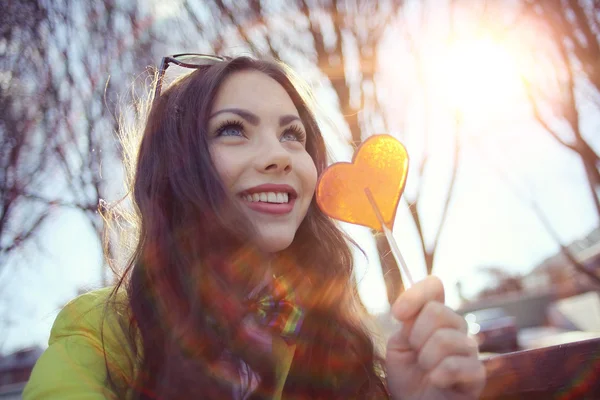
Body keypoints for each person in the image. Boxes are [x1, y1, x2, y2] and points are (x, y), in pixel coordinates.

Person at [23, 55, 485, 399]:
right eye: (232, 129)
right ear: (175, 167)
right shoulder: (103, 332)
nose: (279, 155)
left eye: (292, 135)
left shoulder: (335, 338)